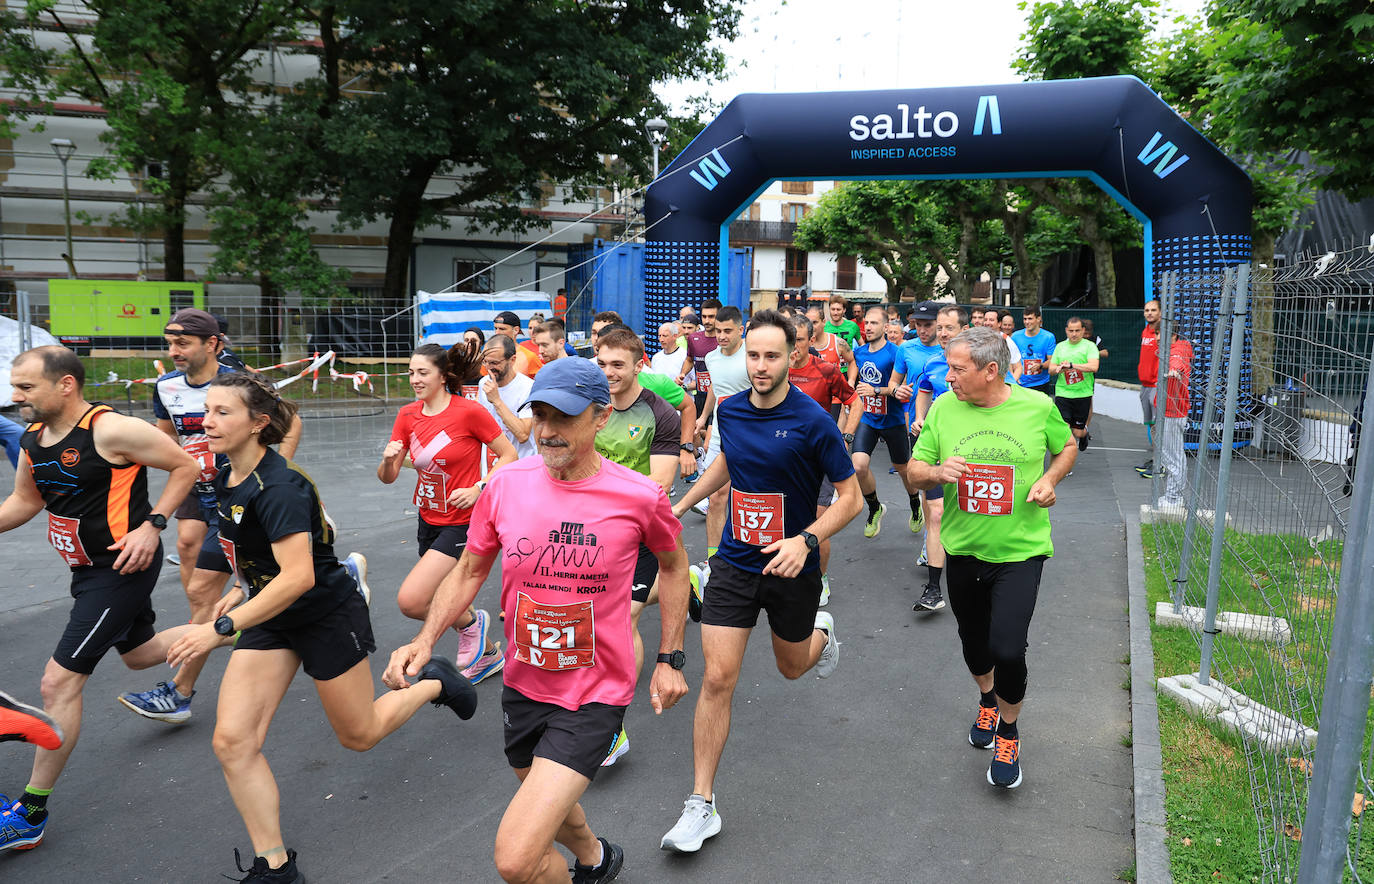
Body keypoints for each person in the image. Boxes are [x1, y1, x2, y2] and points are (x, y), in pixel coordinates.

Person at [157, 371, 475, 881]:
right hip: (268, 615)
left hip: (323, 613)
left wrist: (220, 628)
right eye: (206, 410)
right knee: (232, 742)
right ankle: (274, 865)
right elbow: (251, 555)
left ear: (258, 423)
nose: (206, 421)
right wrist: (240, 589)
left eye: (221, 412)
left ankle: (437, 680)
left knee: (360, 735)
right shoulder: (222, 476)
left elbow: (299, 576)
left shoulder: (280, 486)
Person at [384, 357, 690, 884]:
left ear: (599, 417)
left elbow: (675, 563)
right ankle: (596, 859)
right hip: (524, 681)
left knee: (517, 857)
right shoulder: (505, 486)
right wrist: (425, 637)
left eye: (563, 418)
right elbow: (469, 570)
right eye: (539, 416)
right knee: (540, 790)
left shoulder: (639, 496)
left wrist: (669, 658)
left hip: (595, 690)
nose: (546, 432)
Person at [661, 310, 861, 854]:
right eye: (753, 355)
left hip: (792, 564)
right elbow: (729, 460)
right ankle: (701, 804)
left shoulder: (813, 419)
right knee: (718, 679)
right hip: (734, 565)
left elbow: (851, 499)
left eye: (772, 356)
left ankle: (821, 628)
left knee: (792, 666)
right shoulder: (729, 409)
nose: (760, 366)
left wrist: (806, 542)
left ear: (791, 356)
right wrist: (680, 504)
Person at [0, 345, 201, 853]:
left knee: (58, 683)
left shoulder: (109, 429)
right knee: (139, 655)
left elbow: (184, 466)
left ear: (65, 384)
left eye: (25, 386)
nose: (15, 395)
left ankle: (30, 815)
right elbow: (26, 500)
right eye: (15, 385)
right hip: (86, 572)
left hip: (121, 568)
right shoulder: (31, 439)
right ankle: (247, 622)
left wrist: (152, 527)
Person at [909, 326, 1076, 790]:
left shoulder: (1037, 407)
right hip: (963, 549)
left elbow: (1066, 446)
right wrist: (937, 472)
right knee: (974, 643)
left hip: (1021, 551)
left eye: (958, 369)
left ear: (991, 370)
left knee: (1008, 647)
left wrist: (1051, 480)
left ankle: (1009, 730)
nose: (948, 378)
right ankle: (987, 700)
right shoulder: (944, 408)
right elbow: (915, 472)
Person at [120, 308, 304, 723]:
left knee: (208, 590)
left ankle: (182, 685)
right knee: (197, 571)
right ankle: (228, 621)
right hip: (196, 486)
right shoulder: (166, 386)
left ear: (213, 344)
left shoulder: (237, 383)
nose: (173, 351)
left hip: (237, 493)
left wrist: (278, 475)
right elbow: (161, 435)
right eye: (169, 343)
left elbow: (290, 424)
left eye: (182, 343)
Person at [379, 342, 517, 685]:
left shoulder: (467, 412)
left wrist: (479, 487)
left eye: (423, 372)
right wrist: (387, 458)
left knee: (412, 601)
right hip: (428, 519)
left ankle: (471, 625)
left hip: (463, 523)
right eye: (411, 372)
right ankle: (487, 654)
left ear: (443, 376)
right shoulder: (407, 415)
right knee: (443, 596)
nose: (415, 379)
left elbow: (508, 454)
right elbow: (388, 477)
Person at [591, 326, 687, 767]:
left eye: (618, 365)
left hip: (644, 532)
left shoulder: (660, 414)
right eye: (602, 362)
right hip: (595, 533)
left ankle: (614, 727)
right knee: (595, 620)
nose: (609, 372)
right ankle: (692, 587)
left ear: (638, 365)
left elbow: (660, 484)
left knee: (622, 619)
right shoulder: (588, 406)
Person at [788, 314, 861, 605]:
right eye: (789, 340)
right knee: (789, 518)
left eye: (799, 341)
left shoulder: (827, 370)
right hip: (786, 459)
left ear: (810, 340)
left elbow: (854, 402)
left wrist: (847, 437)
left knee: (819, 520)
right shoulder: (775, 370)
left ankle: (821, 579)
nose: (794, 347)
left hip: (819, 457)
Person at [850, 306, 923, 539]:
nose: (869, 327)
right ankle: (875, 508)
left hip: (892, 420)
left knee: (903, 469)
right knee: (858, 465)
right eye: (867, 323)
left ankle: (915, 504)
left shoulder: (895, 353)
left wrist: (876, 391)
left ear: (886, 327)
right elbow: (857, 381)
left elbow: (901, 390)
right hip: (869, 418)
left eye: (874, 323)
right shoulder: (860, 353)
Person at [694, 305, 749, 552]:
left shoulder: (752, 355)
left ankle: (747, 555)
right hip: (719, 435)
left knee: (747, 500)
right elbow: (715, 389)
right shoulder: (711, 358)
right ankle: (713, 560)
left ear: (741, 329)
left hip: (750, 437)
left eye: (728, 331)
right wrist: (705, 417)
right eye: (718, 331)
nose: (722, 336)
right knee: (716, 497)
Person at [891, 301, 943, 558]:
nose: (922, 330)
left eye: (928, 325)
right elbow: (894, 382)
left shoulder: (950, 352)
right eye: (918, 325)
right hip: (918, 425)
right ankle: (930, 539)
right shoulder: (906, 348)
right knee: (929, 486)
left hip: (952, 427)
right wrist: (897, 390)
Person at [478, 335, 536, 466]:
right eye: (485, 362)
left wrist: (497, 401)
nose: (488, 368)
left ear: (512, 360)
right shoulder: (483, 383)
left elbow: (523, 434)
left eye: (494, 363)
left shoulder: (528, 387)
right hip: (491, 468)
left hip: (521, 467)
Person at [1047, 317, 1100, 452]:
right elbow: (1051, 369)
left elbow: (1094, 367)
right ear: (1066, 331)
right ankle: (1066, 463)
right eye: (1071, 331)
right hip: (1063, 393)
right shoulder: (1060, 347)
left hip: (1082, 393)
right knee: (1064, 429)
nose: (1074, 334)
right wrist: (1059, 368)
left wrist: (1072, 366)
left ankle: (1084, 435)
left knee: (1077, 432)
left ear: (1083, 331)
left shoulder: (1089, 346)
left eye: (1077, 330)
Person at [1155, 329, 1192, 507]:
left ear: (1173, 336)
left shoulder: (1177, 351)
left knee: (1173, 457)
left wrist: (1173, 371)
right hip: (1168, 410)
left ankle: (1173, 499)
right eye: (1156, 334)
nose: (1157, 338)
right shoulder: (1174, 348)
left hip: (1173, 412)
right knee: (1170, 455)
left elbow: (1177, 362)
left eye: (1160, 335)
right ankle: (1173, 496)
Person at [1137, 300, 1162, 475]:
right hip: (1145, 385)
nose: (1149, 313)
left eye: (1153, 310)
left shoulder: (1163, 333)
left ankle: (1161, 464)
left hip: (1156, 386)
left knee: (1159, 427)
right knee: (1152, 425)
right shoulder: (1145, 330)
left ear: (1160, 313)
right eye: (1147, 310)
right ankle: (1156, 459)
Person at [493, 312, 544, 379]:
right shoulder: (490, 354)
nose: (497, 333)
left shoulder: (529, 356)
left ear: (516, 330)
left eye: (502, 329)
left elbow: (542, 382)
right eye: (496, 328)